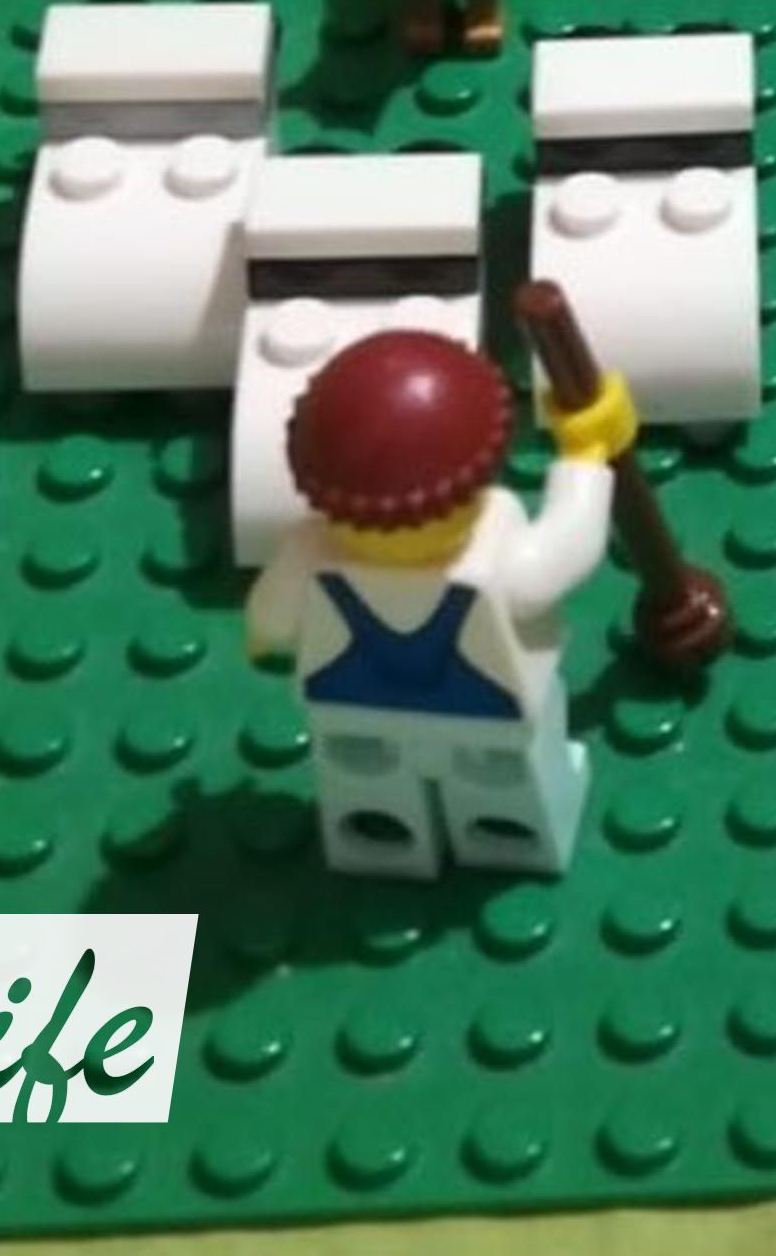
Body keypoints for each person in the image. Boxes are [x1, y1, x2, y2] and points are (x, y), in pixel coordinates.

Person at [244, 331, 639, 879]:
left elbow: (271, 618)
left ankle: (384, 842)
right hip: (487, 711)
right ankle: (503, 841)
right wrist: (585, 457)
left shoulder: (309, 553)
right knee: (503, 785)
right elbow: (566, 547)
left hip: (351, 707)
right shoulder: (496, 559)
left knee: (370, 784)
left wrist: (261, 638)